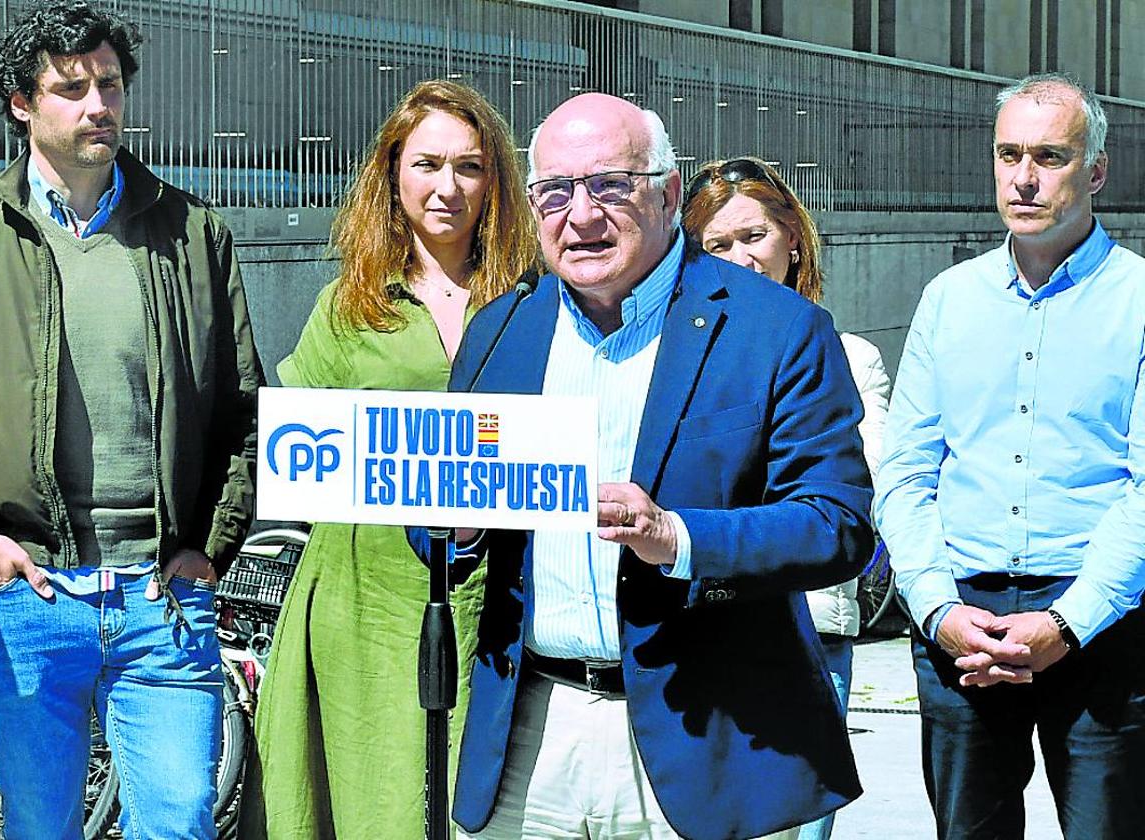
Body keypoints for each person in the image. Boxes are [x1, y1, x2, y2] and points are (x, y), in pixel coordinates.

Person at [434, 93, 873, 840]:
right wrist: (463, 527)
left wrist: (678, 538)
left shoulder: (778, 329)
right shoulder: (502, 330)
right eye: (554, 192)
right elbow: (437, 530)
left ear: (669, 193)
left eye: (610, 184)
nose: (580, 215)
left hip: (705, 736)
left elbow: (836, 524)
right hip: (531, 735)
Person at [0, 1, 262, 837]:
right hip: (24, 594)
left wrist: (209, 547)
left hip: (163, 596)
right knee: (40, 827)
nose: (99, 105)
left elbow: (244, 413)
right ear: (21, 102)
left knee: (181, 819)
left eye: (111, 84)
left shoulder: (192, 233)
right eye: (71, 87)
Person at [241, 80, 536, 839]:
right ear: (392, 174)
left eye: (469, 167)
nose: (447, 186)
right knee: (378, 801)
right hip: (362, 597)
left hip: (496, 596)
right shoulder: (350, 302)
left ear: (495, 180)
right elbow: (298, 452)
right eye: (427, 164)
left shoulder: (537, 299)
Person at [875, 72, 1145, 839]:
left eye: (1050, 156)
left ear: (1094, 171)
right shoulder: (948, 299)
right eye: (1009, 154)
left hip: (1103, 620)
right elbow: (904, 473)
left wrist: (1069, 620)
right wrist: (936, 608)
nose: (1024, 177)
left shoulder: (1139, 299)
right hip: (962, 619)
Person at [682, 156, 889, 840]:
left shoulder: (849, 357)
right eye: (717, 245)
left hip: (810, 635)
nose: (740, 259)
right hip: (701, 635)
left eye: (754, 237)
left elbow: (855, 493)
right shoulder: (671, 366)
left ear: (793, 238)